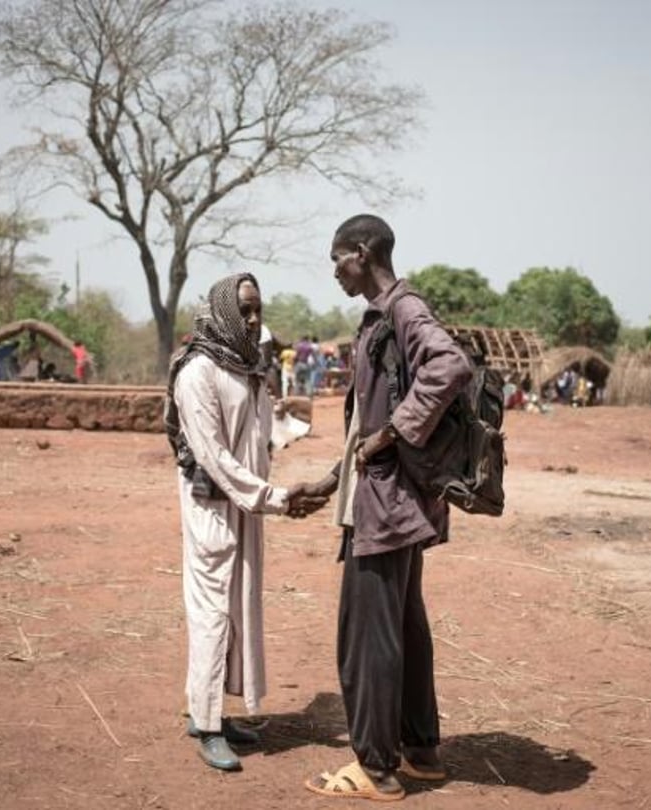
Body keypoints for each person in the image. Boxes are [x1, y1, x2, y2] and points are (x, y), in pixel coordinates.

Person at [303, 214, 472, 801]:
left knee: (367, 634)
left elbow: (449, 365)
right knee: (404, 624)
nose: (335, 271)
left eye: (338, 259)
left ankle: (374, 767)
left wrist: (392, 435)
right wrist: (334, 479)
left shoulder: (402, 309)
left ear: (363, 251)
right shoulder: (382, 316)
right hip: (392, 498)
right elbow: (365, 423)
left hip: (386, 504)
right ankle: (421, 752)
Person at [165, 272, 328, 773]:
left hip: (248, 506)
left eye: (258, 309)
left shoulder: (247, 365)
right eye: (246, 310)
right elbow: (213, 456)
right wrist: (277, 497)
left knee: (238, 608)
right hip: (213, 507)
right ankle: (209, 727)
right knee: (213, 613)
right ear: (224, 312)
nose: (254, 320)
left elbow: (257, 435)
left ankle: (210, 710)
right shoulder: (197, 373)